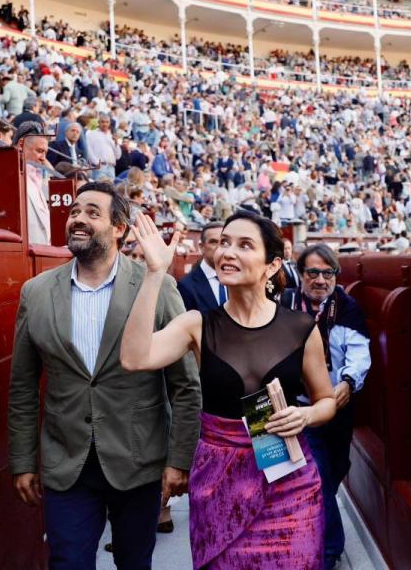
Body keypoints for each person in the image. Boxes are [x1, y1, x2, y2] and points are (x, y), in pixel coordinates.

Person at [121, 210, 336, 570]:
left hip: (290, 485)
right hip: (219, 486)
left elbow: (326, 400)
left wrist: (307, 414)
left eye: (244, 245)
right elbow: (134, 357)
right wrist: (155, 274)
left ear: (272, 266)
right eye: (224, 242)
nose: (227, 252)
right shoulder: (197, 324)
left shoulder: (301, 327)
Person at [9, 182, 201, 570]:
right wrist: (23, 460)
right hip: (67, 463)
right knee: (68, 562)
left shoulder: (157, 285)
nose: (78, 219)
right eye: (75, 211)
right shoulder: (36, 292)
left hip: (139, 458)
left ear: (119, 228)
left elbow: (184, 385)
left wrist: (180, 459)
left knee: (135, 562)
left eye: (93, 212)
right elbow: (23, 386)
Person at [282, 244, 370, 570]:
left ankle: (319, 534)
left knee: (332, 474)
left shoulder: (346, 308)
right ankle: (328, 551)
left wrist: (348, 381)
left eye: (327, 272)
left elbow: (358, 350)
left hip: (336, 405)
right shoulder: (287, 304)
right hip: (299, 407)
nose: (320, 280)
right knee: (316, 477)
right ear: (300, 274)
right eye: (312, 272)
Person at [176, 221, 226, 313]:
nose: (220, 247)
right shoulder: (186, 286)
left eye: (224, 242)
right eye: (213, 242)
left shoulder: (238, 279)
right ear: (201, 247)